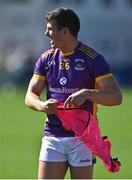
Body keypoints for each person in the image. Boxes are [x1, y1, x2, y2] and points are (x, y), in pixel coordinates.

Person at [25, 7, 122, 179]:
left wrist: (87, 94)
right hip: (52, 136)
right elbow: (30, 95)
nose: (45, 33)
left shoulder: (92, 59)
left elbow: (116, 96)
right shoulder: (46, 59)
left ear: (65, 31)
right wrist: (42, 105)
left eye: (49, 29)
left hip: (82, 139)